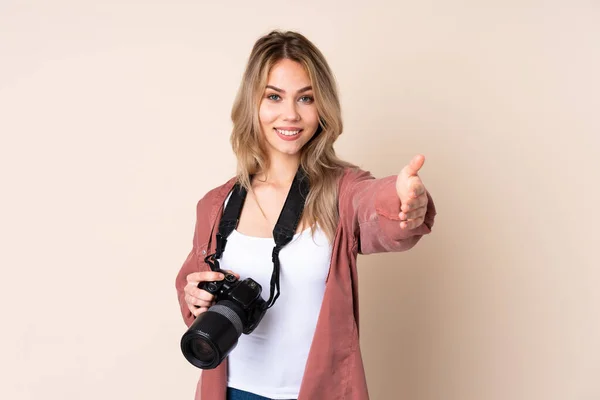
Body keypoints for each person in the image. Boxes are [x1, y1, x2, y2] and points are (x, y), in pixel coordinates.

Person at [175, 30, 437, 400]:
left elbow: (378, 211)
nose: (291, 114)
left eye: (306, 98)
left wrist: (405, 200)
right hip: (230, 391)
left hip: (316, 392)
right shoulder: (216, 205)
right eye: (274, 96)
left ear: (322, 107)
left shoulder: (342, 192)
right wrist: (193, 295)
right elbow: (191, 283)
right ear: (253, 103)